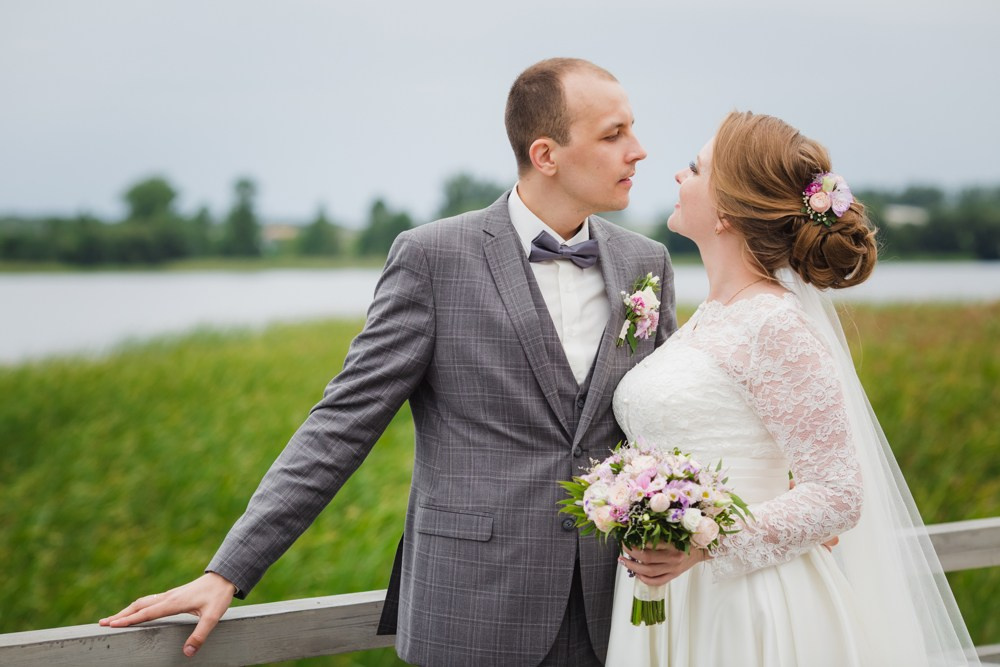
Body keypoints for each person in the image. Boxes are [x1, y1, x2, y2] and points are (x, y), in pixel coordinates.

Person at [99, 58, 676, 666]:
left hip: (615, 606)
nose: (637, 151)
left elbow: (667, 421)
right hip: (471, 605)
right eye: (613, 135)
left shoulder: (646, 262)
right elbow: (342, 423)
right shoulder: (433, 258)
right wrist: (228, 571)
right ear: (546, 154)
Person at [608, 111, 979, 666]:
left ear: (729, 210)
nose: (678, 177)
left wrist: (704, 540)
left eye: (695, 168)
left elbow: (836, 493)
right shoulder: (713, 315)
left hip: (749, 608)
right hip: (677, 595)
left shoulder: (774, 325)